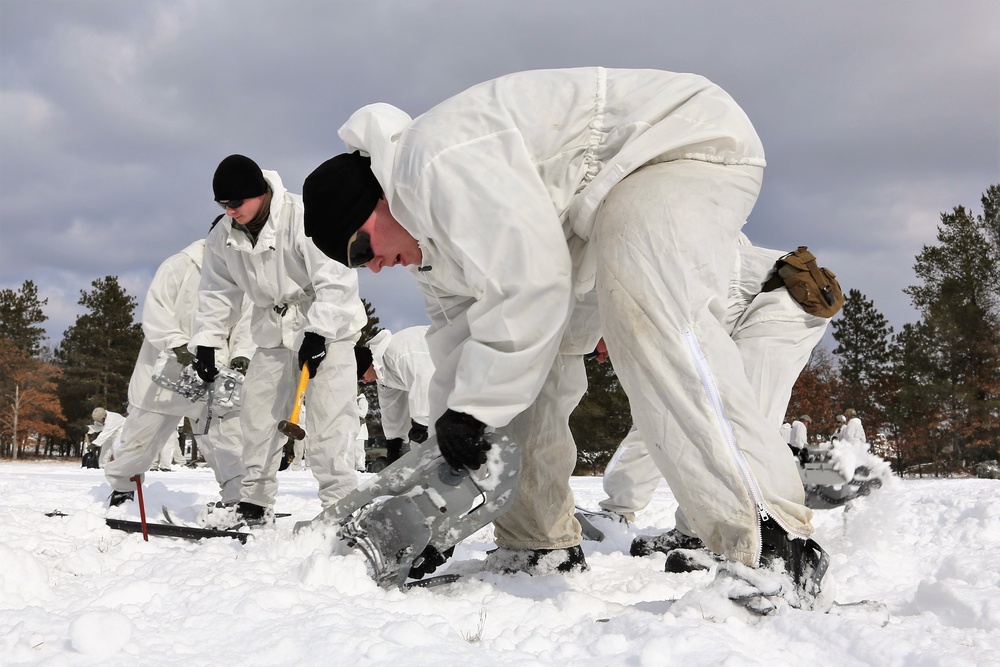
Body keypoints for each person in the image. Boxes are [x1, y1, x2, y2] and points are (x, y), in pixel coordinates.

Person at [302, 67, 831, 606]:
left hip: (674, 147)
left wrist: (475, 407)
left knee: (648, 312)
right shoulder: (433, 254)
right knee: (521, 374)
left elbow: (535, 281)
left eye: (360, 249)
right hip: (579, 216)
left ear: (377, 203)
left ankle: (773, 543)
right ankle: (537, 543)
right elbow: (467, 351)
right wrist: (451, 443)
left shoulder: (433, 163)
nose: (371, 269)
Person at [597, 237, 830, 524]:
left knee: (744, 425)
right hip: (787, 293)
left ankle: (766, 531)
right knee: (716, 416)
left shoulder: (661, 295)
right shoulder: (674, 266)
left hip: (789, 301)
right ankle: (698, 530)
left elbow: (663, 410)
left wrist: (616, 507)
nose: (602, 354)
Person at [191, 154, 367, 528]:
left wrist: (319, 330)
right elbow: (216, 292)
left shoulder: (303, 217)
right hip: (272, 332)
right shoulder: (223, 235)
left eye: (235, 202)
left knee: (330, 421)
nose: (229, 210)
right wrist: (207, 339)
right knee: (257, 419)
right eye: (222, 204)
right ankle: (254, 502)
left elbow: (337, 277)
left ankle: (342, 507)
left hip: (326, 328)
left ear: (259, 193)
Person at [103, 235, 253, 508]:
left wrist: (242, 353)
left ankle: (237, 499)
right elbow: (156, 310)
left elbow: (245, 322)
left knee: (229, 442)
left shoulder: (242, 276)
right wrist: (176, 344)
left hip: (214, 374)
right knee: (141, 439)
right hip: (168, 371)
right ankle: (123, 489)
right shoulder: (180, 265)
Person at [355, 326, 433, 465]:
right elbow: (391, 407)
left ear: (368, 365)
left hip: (463, 358)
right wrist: (393, 447)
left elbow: (426, 382)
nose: (365, 382)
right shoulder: (382, 372)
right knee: (419, 447)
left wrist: (420, 425)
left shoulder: (397, 355)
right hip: (444, 384)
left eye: (362, 377)